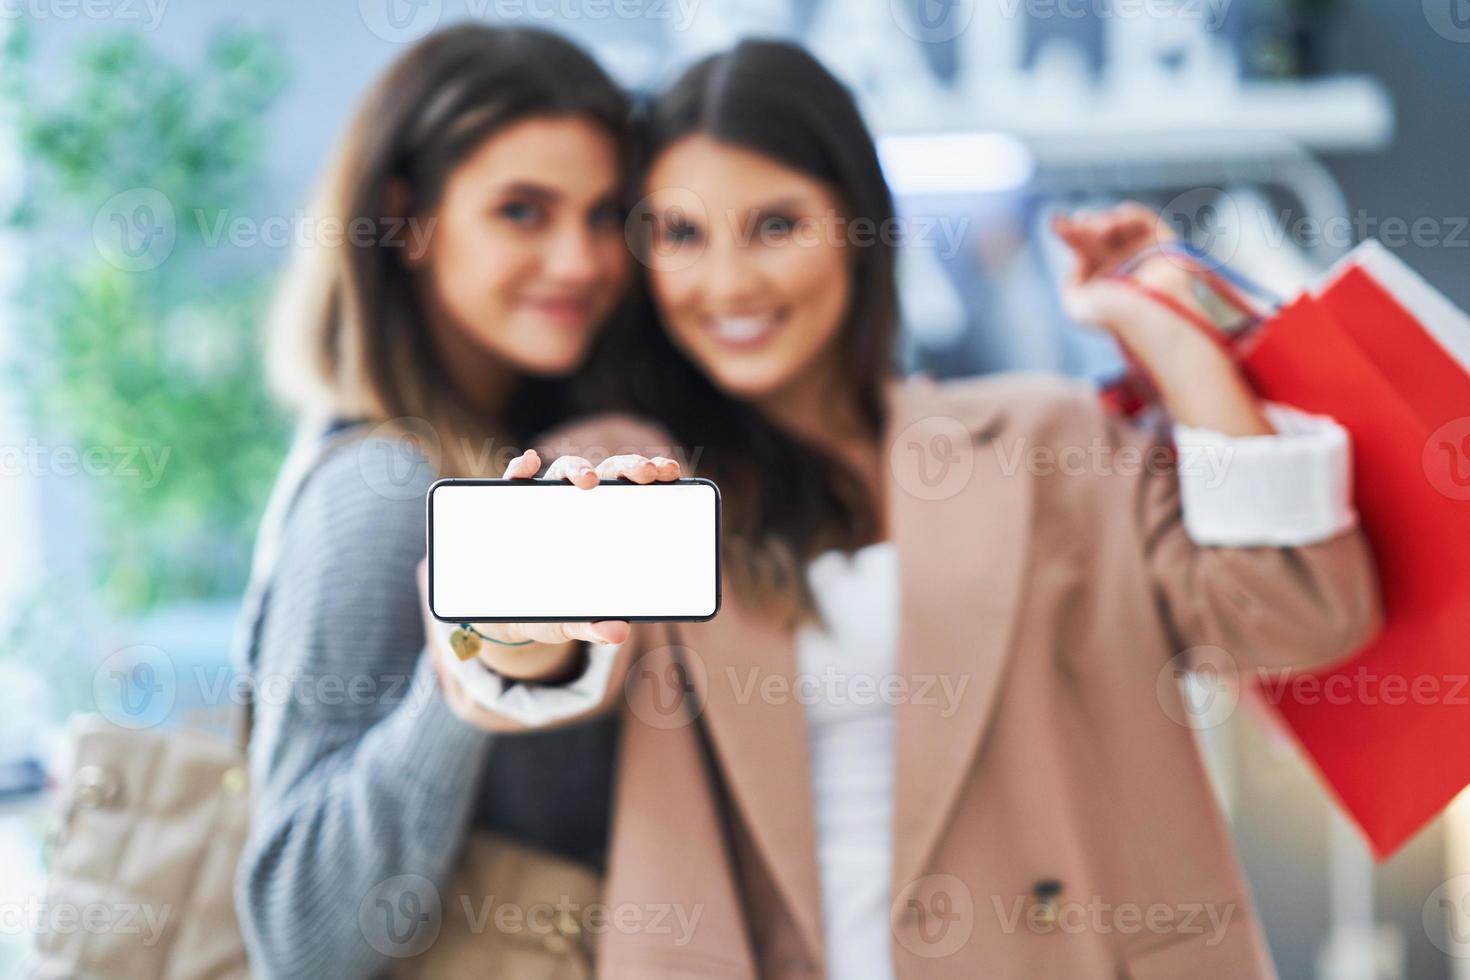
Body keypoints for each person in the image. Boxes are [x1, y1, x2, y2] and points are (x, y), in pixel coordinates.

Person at [420, 40, 1381, 979]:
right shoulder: (626, 465)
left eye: (775, 224)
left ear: (857, 224)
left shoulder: (1044, 438)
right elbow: (513, 656)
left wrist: (1168, 335)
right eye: (680, 233)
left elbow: (1297, 612)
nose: (729, 282)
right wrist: (511, 620)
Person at [235, 24, 646, 978]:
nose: (581, 260)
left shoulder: (520, 455)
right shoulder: (385, 493)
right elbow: (298, 934)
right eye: (522, 211)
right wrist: (472, 676)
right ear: (406, 218)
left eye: (603, 216)